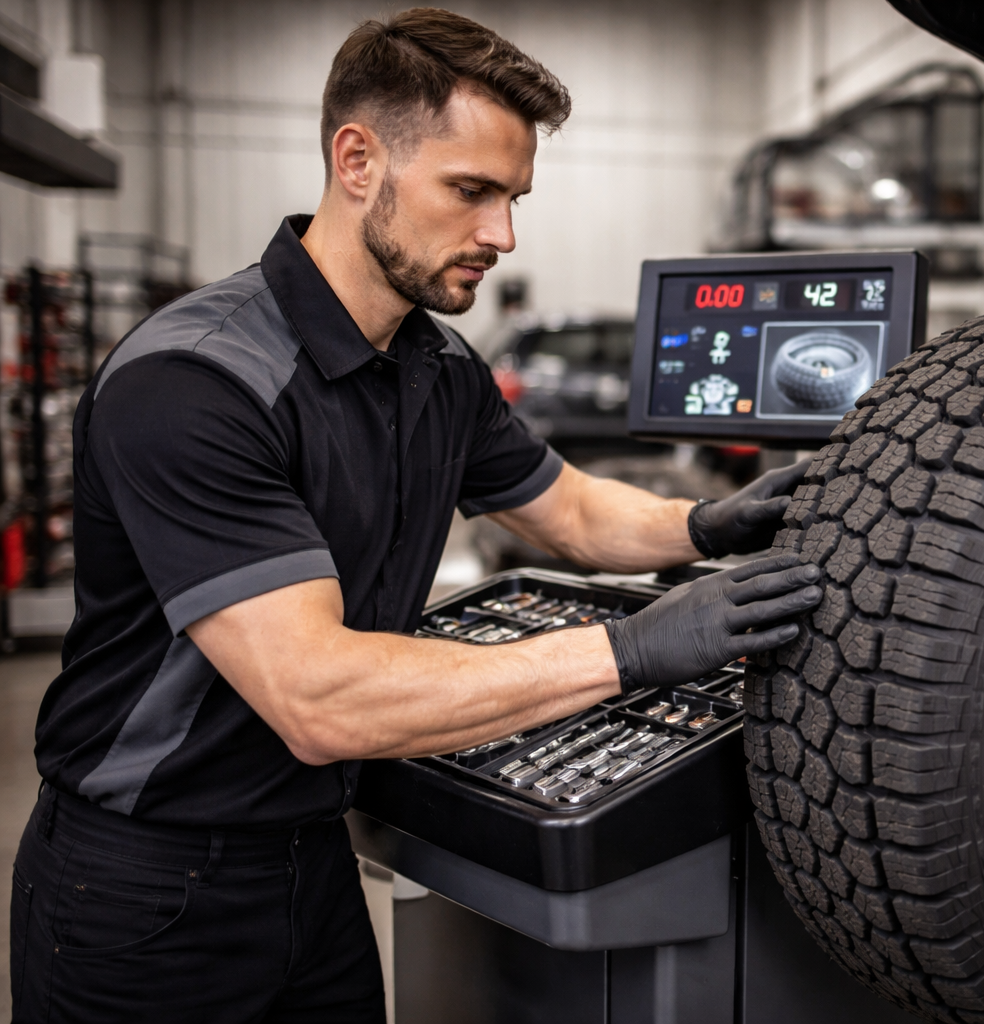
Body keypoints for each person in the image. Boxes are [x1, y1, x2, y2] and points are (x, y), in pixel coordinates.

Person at [8, 9, 820, 1022]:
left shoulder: (437, 368)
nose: (502, 235)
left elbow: (566, 508)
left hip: (316, 857)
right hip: (146, 890)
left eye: (515, 197)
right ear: (358, 160)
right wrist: (631, 650)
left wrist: (705, 523)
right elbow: (319, 697)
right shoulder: (196, 380)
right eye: (471, 191)